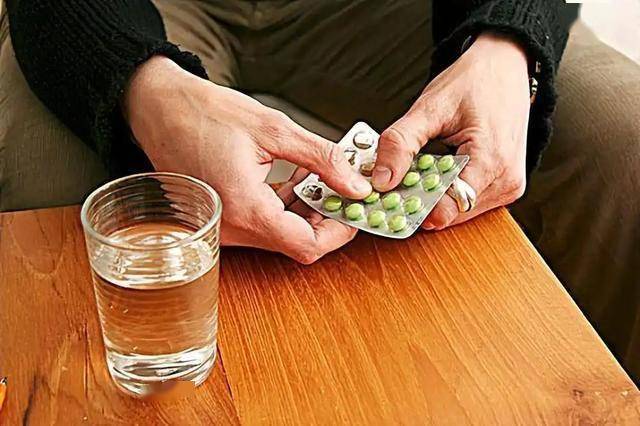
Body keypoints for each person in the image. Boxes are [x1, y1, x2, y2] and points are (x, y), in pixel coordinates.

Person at [1, 1, 638, 382]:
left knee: (626, 140)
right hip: (127, 10)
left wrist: (507, 41)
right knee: (52, 201)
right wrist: (146, 90)